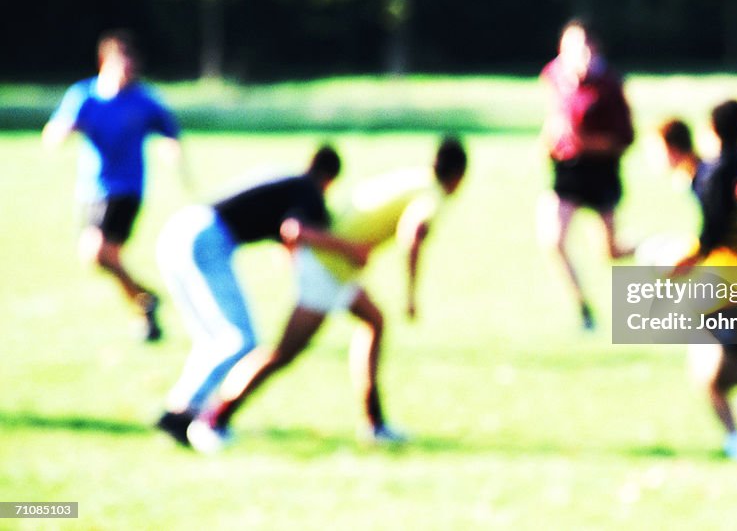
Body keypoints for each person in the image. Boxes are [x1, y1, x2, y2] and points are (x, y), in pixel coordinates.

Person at [184, 138, 468, 452]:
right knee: (284, 353)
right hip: (326, 268)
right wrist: (411, 295)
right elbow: (415, 233)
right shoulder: (432, 196)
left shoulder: (413, 178)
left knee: (374, 321)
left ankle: (375, 423)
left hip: (335, 267)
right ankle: (214, 418)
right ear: (458, 176)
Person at [155, 145, 370, 447]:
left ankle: (183, 408)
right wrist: (351, 250)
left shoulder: (283, 177)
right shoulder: (309, 191)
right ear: (330, 179)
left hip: (179, 227)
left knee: (212, 337)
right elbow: (294, 230)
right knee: (240, 339)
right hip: (207, 237)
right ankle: (184, 411)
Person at [656, 105, 737, 461]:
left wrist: (680, 264)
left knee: (708, 371)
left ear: (711, 129)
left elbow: (712, 235)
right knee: (713, 367)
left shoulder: (715, 174)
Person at [42, 30, 184, 342]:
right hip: (90, 188)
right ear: (105, 62)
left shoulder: (144, 99)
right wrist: (61, 131)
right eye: (124, 65)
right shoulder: (84, 96)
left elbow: (169, 131)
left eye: (134, 66)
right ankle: (145, 307)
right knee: (102, 259)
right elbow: (55, 130)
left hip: (126, 188)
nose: (130, 72)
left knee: (98, 254)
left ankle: (145, 303)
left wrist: (172, 151)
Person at [537, 19, 635, 329]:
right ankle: (583, 307)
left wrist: (587, 143)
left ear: (594, 49)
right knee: (553, 239)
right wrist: (548, 138)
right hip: (567, 171)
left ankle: (664, 249)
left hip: (600, 171)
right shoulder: (555, 75)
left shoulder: (609, 85)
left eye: (583, 48)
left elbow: (625, 139)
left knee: (610, 252)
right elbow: (555, 112)